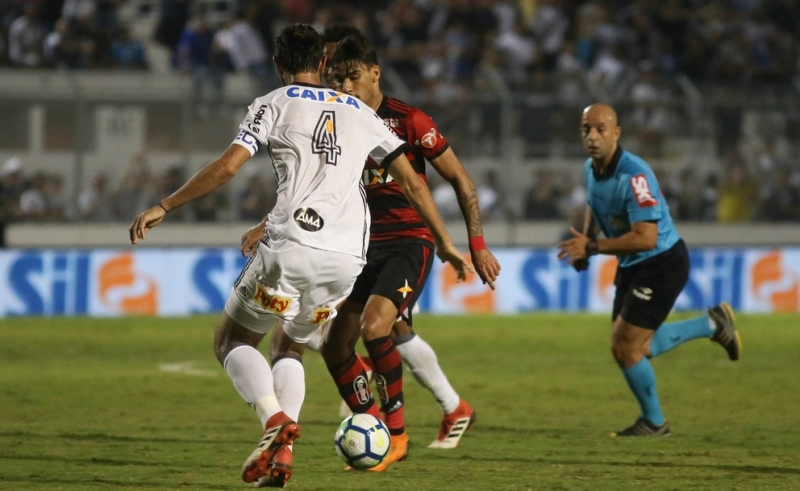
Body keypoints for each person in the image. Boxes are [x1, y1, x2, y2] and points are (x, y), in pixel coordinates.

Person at [129, 23, 469, 487]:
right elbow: (412, 182)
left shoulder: (273, 103)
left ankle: (274, 422)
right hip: (348, 259)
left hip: (292, 245)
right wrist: (448, 243)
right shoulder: (360, 111)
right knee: (290, 344)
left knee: (231, 342)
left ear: (277, 64)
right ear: (325, 64)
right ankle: (281, 455)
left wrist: (166, 204)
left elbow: (229, 166)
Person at [557, 103, 742, 436]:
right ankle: (712, 324)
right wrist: (588, 239)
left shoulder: (635, 176)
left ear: (617, 133)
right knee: (633, 347)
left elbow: (646, 238)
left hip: (661, 263)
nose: (592, 136)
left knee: (625, 346)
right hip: (632, 265)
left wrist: (594, 248)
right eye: (586, 129)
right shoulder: (590, 168)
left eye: (600, 129)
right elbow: (595, 204)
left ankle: (655, 423)